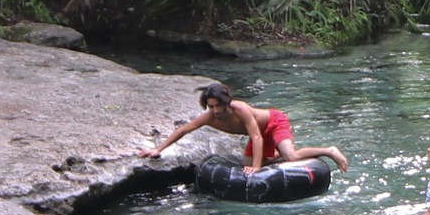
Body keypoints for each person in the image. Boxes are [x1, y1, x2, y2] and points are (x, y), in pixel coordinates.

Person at [138, 83, 345, 172]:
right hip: (259, 135)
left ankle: (329, 151)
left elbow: (256, 137)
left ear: (227, 102)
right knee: (247, 163)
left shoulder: (241, 109)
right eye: (211, 106)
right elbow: (183, 130)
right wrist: (158, 149)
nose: (216, 110)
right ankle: (273, 157)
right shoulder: (209, 117)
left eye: (219, 105)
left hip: (274, 123)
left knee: (290, 155)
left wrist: (256, 167)